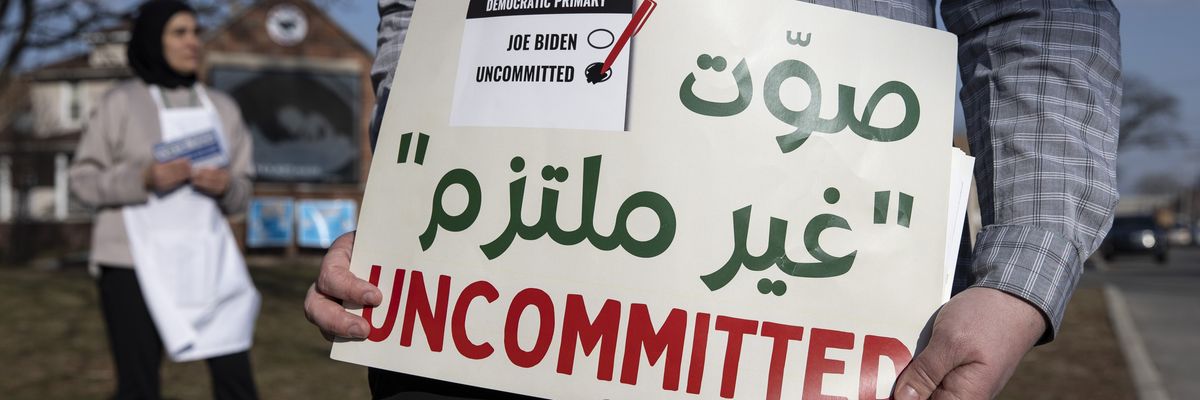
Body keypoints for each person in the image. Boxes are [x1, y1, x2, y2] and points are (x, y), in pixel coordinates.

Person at [304, 0, 1122, 398]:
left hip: (800, 324)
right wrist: (406, 209)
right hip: (480, 315)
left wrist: (1024, 265)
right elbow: (420, 10)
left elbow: (1037, 15)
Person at [69, 1, 260, 399]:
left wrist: (225, 187)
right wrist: (142, 178)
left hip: (208, 261)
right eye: (180, 32)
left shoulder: (223, 108)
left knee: (236, 379)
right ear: (153, 41)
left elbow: (243, 193)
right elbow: (83, 181)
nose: (193, 42)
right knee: (138, 385)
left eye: (196, 32)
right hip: (131, 264)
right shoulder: (120, 103)